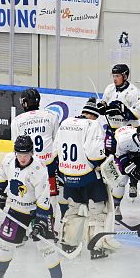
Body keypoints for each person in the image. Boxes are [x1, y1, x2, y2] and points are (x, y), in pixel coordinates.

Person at [0, 135, 68, 278]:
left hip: (37, 211)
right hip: (15, 210)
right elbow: (2, 177)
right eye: (19, 154)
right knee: (5, 244)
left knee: (46, 247)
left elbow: (44, 198)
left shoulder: (39, 169)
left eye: (26, 154)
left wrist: (41, 221)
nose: (22, 158)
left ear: (32, 153)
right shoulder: (8, 160)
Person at [55, 98, 118, 260]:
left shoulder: (66, 122)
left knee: (73, 210)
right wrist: (104, 161)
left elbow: (56, 150)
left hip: (69, 177)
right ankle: (96, 248)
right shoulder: (93, 125)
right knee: (97, 212)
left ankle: (68, 244)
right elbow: (94, 153)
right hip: (89, 178)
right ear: (95, 115)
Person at [10, 88, 65, 225]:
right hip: (49, 164)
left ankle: (27, 225)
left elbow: (15, 146)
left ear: (24, 103)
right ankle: (49, 226)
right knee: (51, 196)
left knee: (28, 195)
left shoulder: (18, 120)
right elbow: (56, 141)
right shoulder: (51, 115)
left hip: (29, 165)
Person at [99, 64, 140, 198]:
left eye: (117, 76)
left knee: (132, 160)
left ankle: (133, 184)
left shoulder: (133, 92)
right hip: (112, 129)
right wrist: (102, 107)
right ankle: (111, 183)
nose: (115, 79)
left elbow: (138, 114)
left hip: (129, 132)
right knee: (109, 156)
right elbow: (104, 103)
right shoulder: (109, 89)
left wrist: (123, 110)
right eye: (113, 76)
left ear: (125, 76)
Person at [112, 122, 140, 219]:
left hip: (139, 154)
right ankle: (115, 207)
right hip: (120, 152)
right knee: (121, 180)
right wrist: (132, 170)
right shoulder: (124, 141)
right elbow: (121, 159)